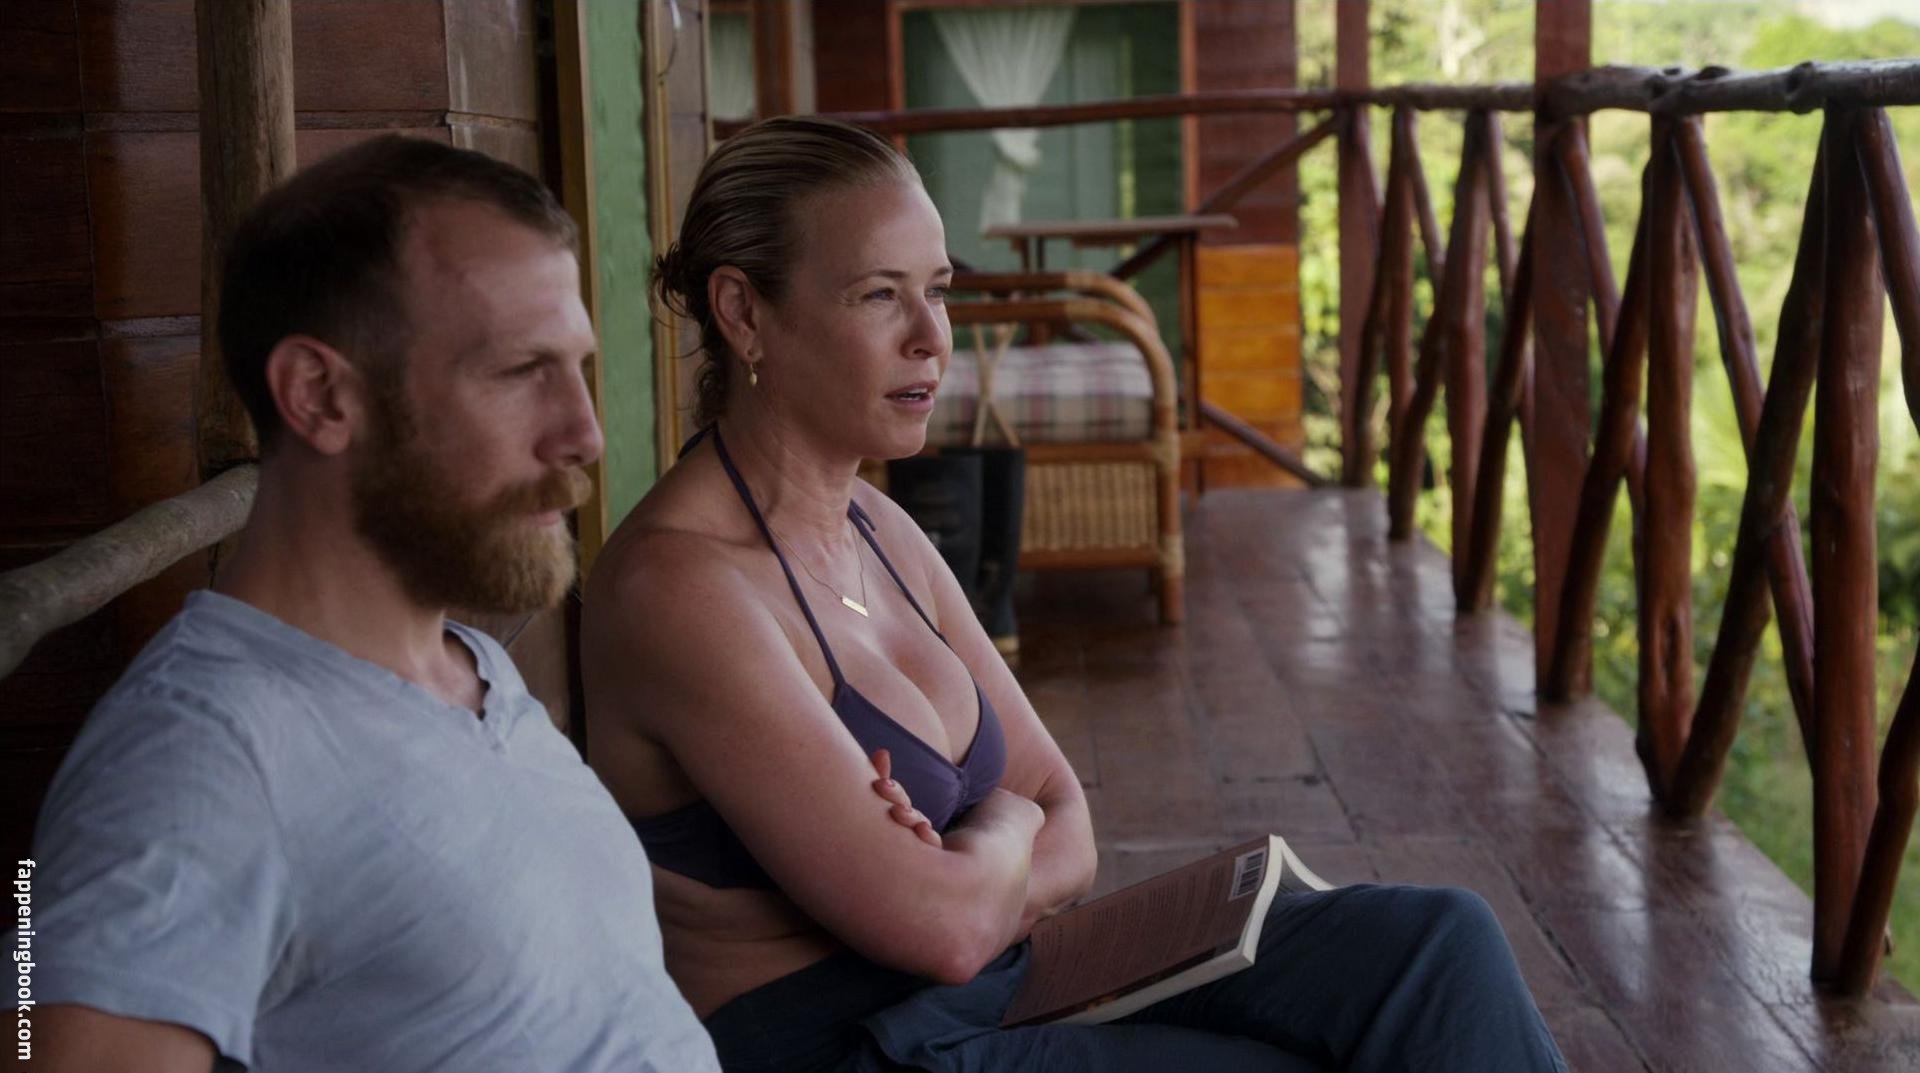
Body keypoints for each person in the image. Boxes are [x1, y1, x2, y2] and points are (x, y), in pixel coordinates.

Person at [582, 115, 1571, 1073]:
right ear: (744, 312)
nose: (932, 337)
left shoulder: (878, 528)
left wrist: (976, 857)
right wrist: (1004, 831)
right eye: (879, 295)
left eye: (938, 291)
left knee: (1436, 948)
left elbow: (1067, 817)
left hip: (1002, 984)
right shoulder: (681, 586)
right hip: (849, 1041)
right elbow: (949, 922)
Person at [22, 136, 720, 1073]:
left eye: (578, 368)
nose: (583, 433)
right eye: (520, 371)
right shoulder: (199, 757)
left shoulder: (471, 664)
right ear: (320, 396)